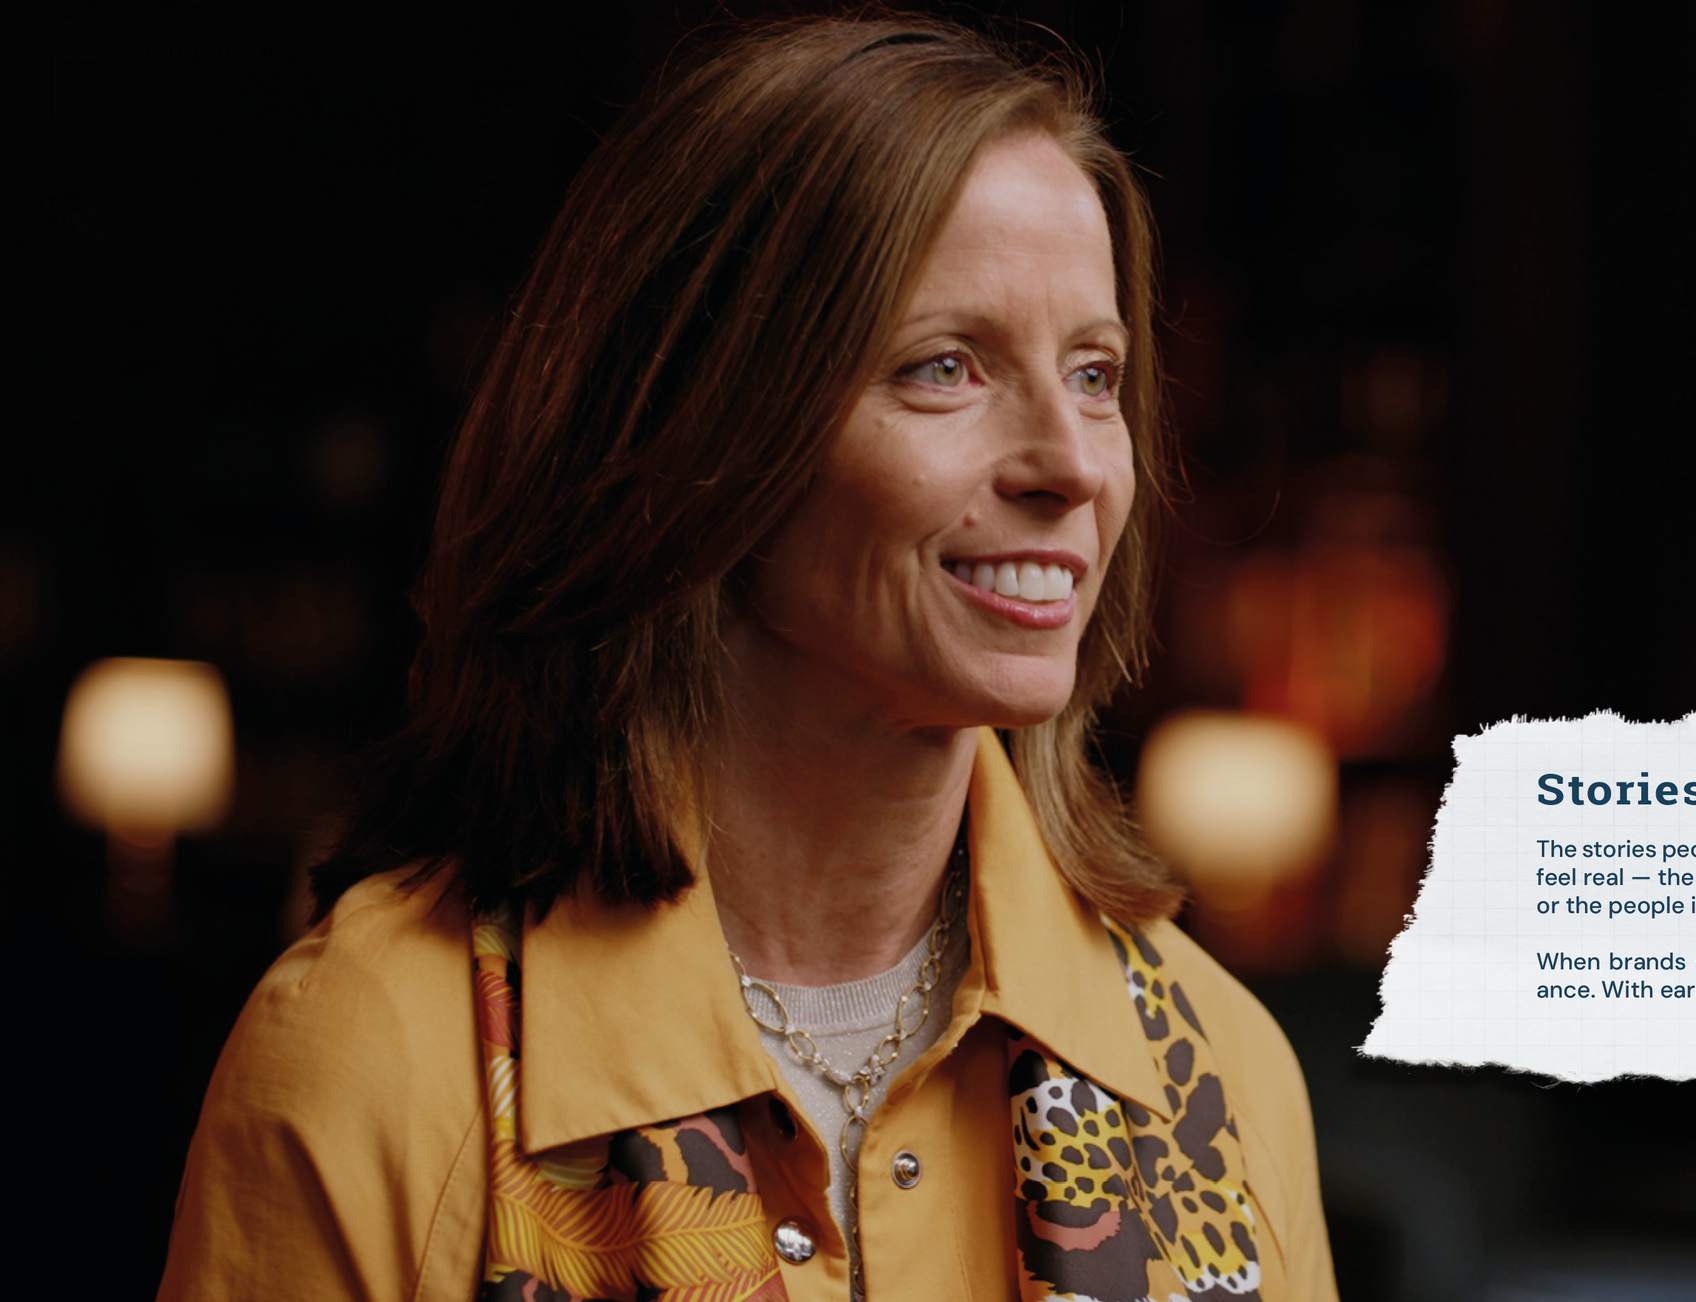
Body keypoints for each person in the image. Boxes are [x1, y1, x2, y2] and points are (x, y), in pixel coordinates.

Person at [158, 17, 1335, 1302]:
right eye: (945, 368)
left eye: (1096, 373)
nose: (1069, 465)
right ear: (709, 427)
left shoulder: (1220, 1071)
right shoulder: (371, 1057)